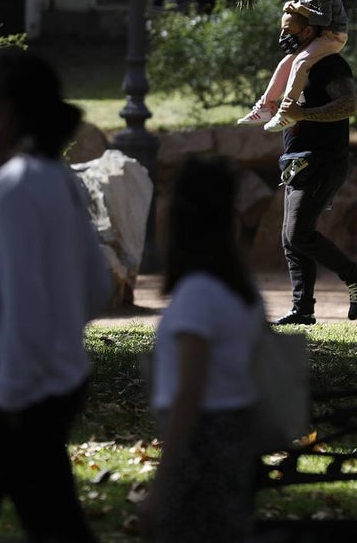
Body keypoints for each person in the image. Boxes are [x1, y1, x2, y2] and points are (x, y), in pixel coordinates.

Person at [0, 49, 113, 543]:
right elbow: (97, 287)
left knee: (51, 526)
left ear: (7, 109)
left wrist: (10, 397)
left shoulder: (13, 187)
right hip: (26, 386)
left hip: (15, 394)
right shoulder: (58, 178)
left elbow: (23, 305)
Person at [138, 154, 264, 542]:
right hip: (235, 439)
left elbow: (189, 394)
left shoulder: (197, 295)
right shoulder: (242, 290)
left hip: (202, 447)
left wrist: (160, 485)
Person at [268, 12, 357, 326]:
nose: (283, 37)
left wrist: (304, 114)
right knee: (291, 238)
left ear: (309, 31)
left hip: (321, 161)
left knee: (298, 233)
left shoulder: (328, 63)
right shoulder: (298, 64)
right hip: (298, 162)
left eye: (289, 30)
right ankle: (302, 309)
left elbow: (348, 104)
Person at [237, 0, 350, 133]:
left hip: (333, 36)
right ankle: (266, 107)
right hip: (317, 35)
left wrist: (300, 9)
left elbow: (326, 19)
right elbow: (306, 13)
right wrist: (294, 8)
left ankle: (287, 112)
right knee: (286, 63)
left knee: (300, 62)